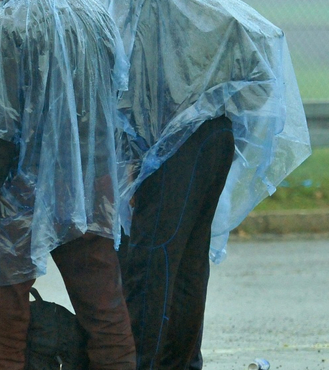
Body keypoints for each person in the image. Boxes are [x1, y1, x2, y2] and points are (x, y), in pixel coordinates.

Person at [100, 0, 312, 368]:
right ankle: (178, 361)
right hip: (206, 136)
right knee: (186, 261)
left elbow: (130, 78)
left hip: (177, 141)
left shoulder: (155, 7)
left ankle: (142, 361)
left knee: (152, 259)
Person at [0, 0, 136, 369]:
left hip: (22, 188)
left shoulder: (8, 25)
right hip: (89, 186)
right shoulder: (96, 17)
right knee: (103, 303)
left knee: (3, 307)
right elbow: (115, 99)